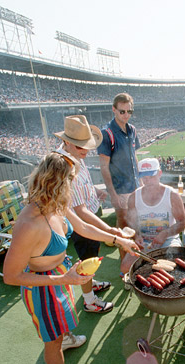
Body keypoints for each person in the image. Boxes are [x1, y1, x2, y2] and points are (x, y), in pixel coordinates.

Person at [2, 151, 138, 364]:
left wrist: (119, 239)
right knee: (51, 341)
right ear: (59, 182)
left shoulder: (57, 205)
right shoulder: (29, 223)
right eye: (71, 181)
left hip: (60, 276)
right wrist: (64, 279)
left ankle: (65, 338)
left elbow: (84, 227)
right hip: (42, 289)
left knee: (61, 325)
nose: (74, 187)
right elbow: (10, 276)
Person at [55, 115, 121, 314]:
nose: (85, 150)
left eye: (86, 145)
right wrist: (109, 230)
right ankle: (89, 300)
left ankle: (90, 284)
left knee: (92, 256)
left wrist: (95, 191)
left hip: (90, 212)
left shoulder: (75, 154)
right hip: (81, 220)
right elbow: (79, 212)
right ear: (67, 142)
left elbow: (83, 186)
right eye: (79, 146)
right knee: (86, 260)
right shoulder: (63, 166)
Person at [120, 158, 185, 275]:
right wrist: (137, 235)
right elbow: (131, 221)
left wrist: (165, 234)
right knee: (125, 267)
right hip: (144, 241)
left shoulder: (172, 195)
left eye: (151, 176)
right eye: (144, 177)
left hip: (168, 239)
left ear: (159, 173)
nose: (148, 181)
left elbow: (182, 223)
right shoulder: (134, 197)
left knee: (171, 268)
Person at [97, 93, 140, 232]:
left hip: (135, 186)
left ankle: (135, 253)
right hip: (120, 188)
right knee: (123, 225)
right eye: (122, 111)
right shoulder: (107, 133)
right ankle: (124, 254)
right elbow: (104, 167)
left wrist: (141, 182)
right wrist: (113, 195)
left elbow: (135, 157)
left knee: (136, 223)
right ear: (114, 109)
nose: (126, 115)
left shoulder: (132, 129)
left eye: (129, 111)